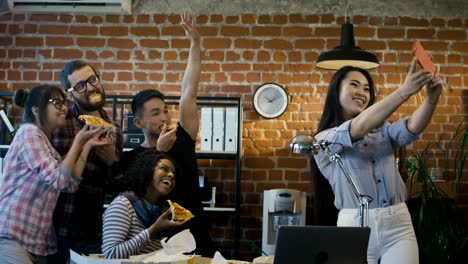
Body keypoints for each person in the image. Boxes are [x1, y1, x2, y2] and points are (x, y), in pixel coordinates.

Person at [313, 57, 443, 264]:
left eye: (366, 89)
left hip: (398, 223)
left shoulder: (383, 129)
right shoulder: (323, 139)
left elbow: (412, 127)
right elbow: (357, 129)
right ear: (335, 92)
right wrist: (404, 91)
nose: (362, 93)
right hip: (355, 226)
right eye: (354, 85)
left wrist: (431, 100)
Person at [122, 13, 214, 257]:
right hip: (154, 247)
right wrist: (159, 152)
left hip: (196, 239)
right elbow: (142, 196)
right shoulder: (132, 159)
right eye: (155, 113)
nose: (164, 117)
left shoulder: (182, 139)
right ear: (139, 122)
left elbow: (189, 93)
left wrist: (195, 44)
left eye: (165, 110)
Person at [0, 85, 111, 264]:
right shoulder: (28, 132)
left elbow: (70, 184)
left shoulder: (45, 143)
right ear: (36, 110)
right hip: (13, 233)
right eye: (57, 103)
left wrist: (87, 145)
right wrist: (79, 140)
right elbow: (59, 178)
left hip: (36, 240)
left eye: (64, 103)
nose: (64, 108)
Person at [48, 60, 126, 263]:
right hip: (54, 231)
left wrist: (111, 160)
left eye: (92, 79)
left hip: (92, 233)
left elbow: (116, 188)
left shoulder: (115, 130)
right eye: (81, 85)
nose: (91, 87)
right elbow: (47, 176)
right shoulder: (59, 124)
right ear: (70, 93)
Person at [102, 152, 188, 259]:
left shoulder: (159, 210)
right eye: (164, 169)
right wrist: (154, 229)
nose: (171, 175)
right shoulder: (123, 205)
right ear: (146, 170)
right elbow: (111, 254)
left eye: (174, 174)